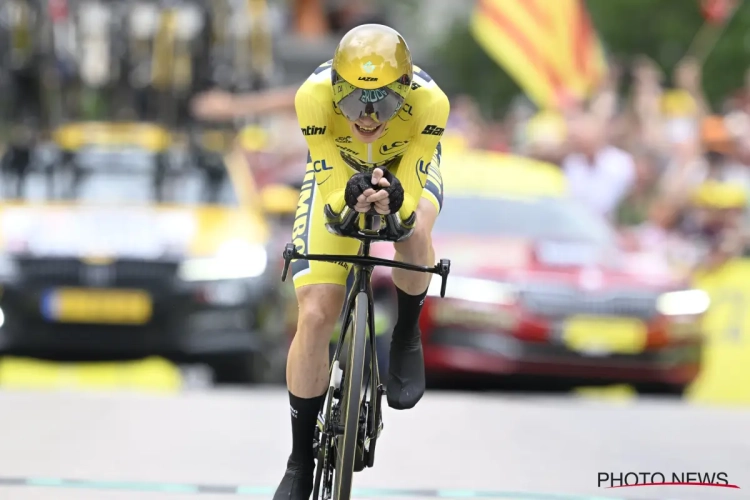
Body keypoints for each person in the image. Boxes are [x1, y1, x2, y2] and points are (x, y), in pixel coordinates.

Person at [274, 24, 450, 499]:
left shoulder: (432, 104)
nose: (368, 117)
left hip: (403, 168)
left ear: (405, 91)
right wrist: (343, 198)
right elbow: (329, 182)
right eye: (353, 102)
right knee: (314, 313)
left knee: (414, 231)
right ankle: (299, 460)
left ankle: (406, 333)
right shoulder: (311, 95)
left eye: (384, 103)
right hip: (338, 170)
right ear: (335, 89)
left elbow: (412, 183)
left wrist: (398, 204)